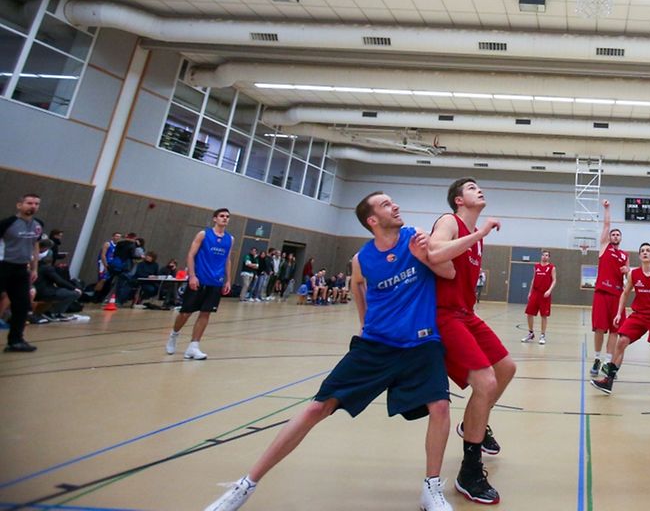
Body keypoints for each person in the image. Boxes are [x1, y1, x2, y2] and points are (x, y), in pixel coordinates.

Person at [203, 192, 456, 511]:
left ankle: (431, 488)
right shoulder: (362, 259)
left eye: (393, 202)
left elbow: (449, 273)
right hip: (376, 346)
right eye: (386, 204)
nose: (395, 206)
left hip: (421, 343)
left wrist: (426, 256)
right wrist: (365, 323)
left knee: (441, 408)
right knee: (316, 408)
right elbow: (357, 285)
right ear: (373, 220)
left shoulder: (417, 239)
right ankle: (245, 485)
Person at [425, 177, 510, 505]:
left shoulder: (476, 239)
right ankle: (469, 471)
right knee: (485, 382)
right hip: (444, 315)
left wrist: (478, 237)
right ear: (459, 200)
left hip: (466, 313)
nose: (480, 190)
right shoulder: (450, 222)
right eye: (472, 188)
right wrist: (480, 232)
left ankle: (473, 423)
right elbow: (434, 251)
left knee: (506, 368)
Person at [590, 242, 650, 400]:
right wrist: (619, 313)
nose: (645, 253)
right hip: (639, 315)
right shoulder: (633, 274)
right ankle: (608, 381)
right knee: (622, 342)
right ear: (640, 256)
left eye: (648, 251)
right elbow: (625, 294)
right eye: (642, 251)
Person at [165, 208, 236, 360]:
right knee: (186, 312)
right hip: (198, 279)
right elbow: (191, 255)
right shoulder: (204, 234)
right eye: (222, 216)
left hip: (215, 282)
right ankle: (174, 334)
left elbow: (227, 260)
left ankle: (193, 346)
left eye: (227, 217)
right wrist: (192, 276)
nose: (225, 218)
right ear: (215, 219)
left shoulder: (230, 239)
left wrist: (228, 279)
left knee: (205, 313)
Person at [589, 199, 630, 377]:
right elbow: (606, 225)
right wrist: (607, 208)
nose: (614, 236)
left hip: (617, 296)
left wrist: (628, 271)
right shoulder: (604, 247)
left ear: (621, 238)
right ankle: (597, 358)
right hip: (602, 293)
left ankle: (607, 361)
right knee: (599, 328)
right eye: (612, 234)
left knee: (615, 331)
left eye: (617, 235)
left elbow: (628, 278)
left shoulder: (625, 255)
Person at [0, 193, 45, 352]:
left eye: (36, 204)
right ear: (20, 205)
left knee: (22, 304)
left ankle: (15, 340)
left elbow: (35, 246)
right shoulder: (7, 223)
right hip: (4, 265)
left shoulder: (38, 225)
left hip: (21, 269)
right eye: (29, 203)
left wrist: (34, 268)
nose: (33, 206)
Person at [34, 239, 84, 321]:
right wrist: (74, 288)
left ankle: (53, 312)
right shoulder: (47, 268)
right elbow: (59, 281)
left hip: (38, 289)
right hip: (43, 291)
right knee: (73, 294)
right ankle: (53, 313)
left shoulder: (35, 265)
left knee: (64, 291)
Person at [522, 250, 556, 344]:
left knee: (544, 315)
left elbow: (554, 280)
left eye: (547, 255)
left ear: (549, 257)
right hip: (535, 293)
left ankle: (542, 335)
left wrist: (549, 290)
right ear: (541, 256)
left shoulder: (551, 267)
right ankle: (530, 333)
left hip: (545, 294)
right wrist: (530, 292)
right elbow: (533, 279)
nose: (545, 257)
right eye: (543, 255)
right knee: (529, 313)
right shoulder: (536, 266)